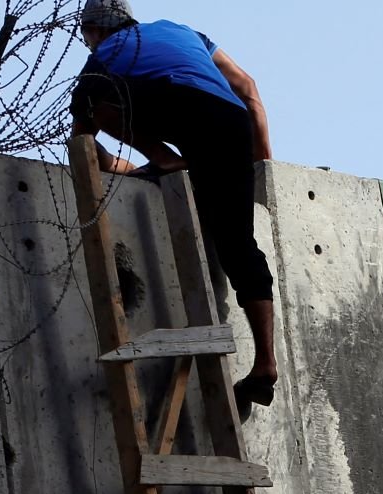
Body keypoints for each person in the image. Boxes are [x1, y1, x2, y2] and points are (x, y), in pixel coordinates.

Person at [68, 4, 280, 411]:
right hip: (228, 120)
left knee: (90, 100)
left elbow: (84, 145)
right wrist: (260, 167)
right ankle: (265, 363)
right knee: (239, 246)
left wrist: (135, 160)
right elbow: (248, 88)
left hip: (175, 111)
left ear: (94, 30)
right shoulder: (183, 32)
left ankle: (163, 158)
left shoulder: (103, 58)